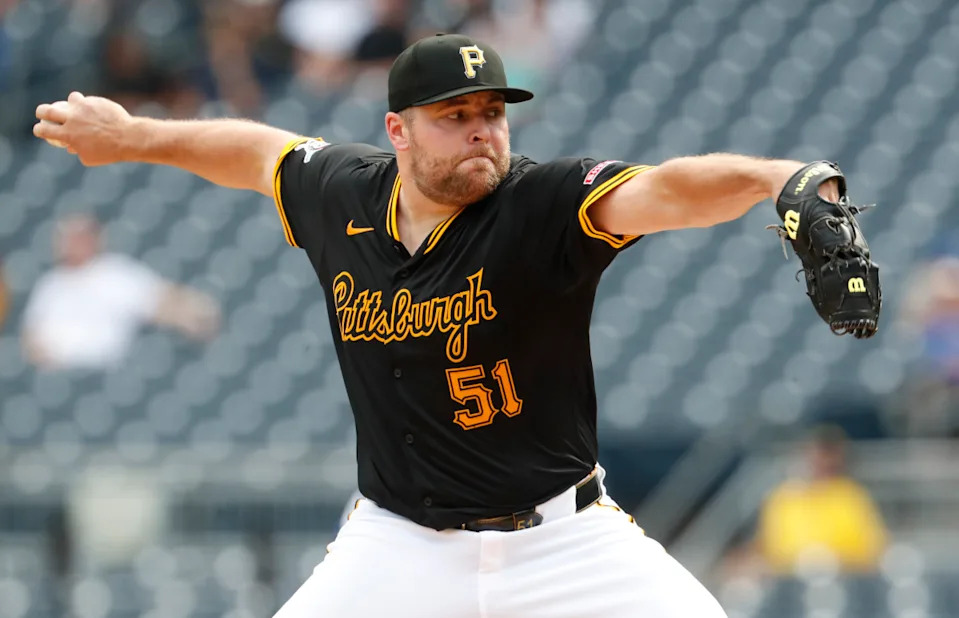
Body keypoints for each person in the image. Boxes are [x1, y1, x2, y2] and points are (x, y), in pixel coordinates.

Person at [34, 33, 845, 617]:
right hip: (399, 544)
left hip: (563, 543)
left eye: (491, 112)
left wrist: (779, 180)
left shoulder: (543, 204)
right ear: (397, 131)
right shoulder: (344, 193)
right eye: (453, 115)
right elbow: (252, 150)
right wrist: (135, 137)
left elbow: (668, 190)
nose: (480, 132)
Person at [21, 214, 220, 371]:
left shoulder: (115, 273)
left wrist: (195, 312)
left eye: (84, 236)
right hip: (58, 374)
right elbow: (31, 336)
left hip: (105, 375)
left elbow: (161, 300)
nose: (77, 243)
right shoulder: (50, 285)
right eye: (72, 237)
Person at [756, 425, 888, 574]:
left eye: (830, 455)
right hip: (790, 580)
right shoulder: (783, 498)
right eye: (820, 454)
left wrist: (836, 560)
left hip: (847, 579)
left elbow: (872, 548)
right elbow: (772, 549)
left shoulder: (852, 496)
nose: (824, 462)